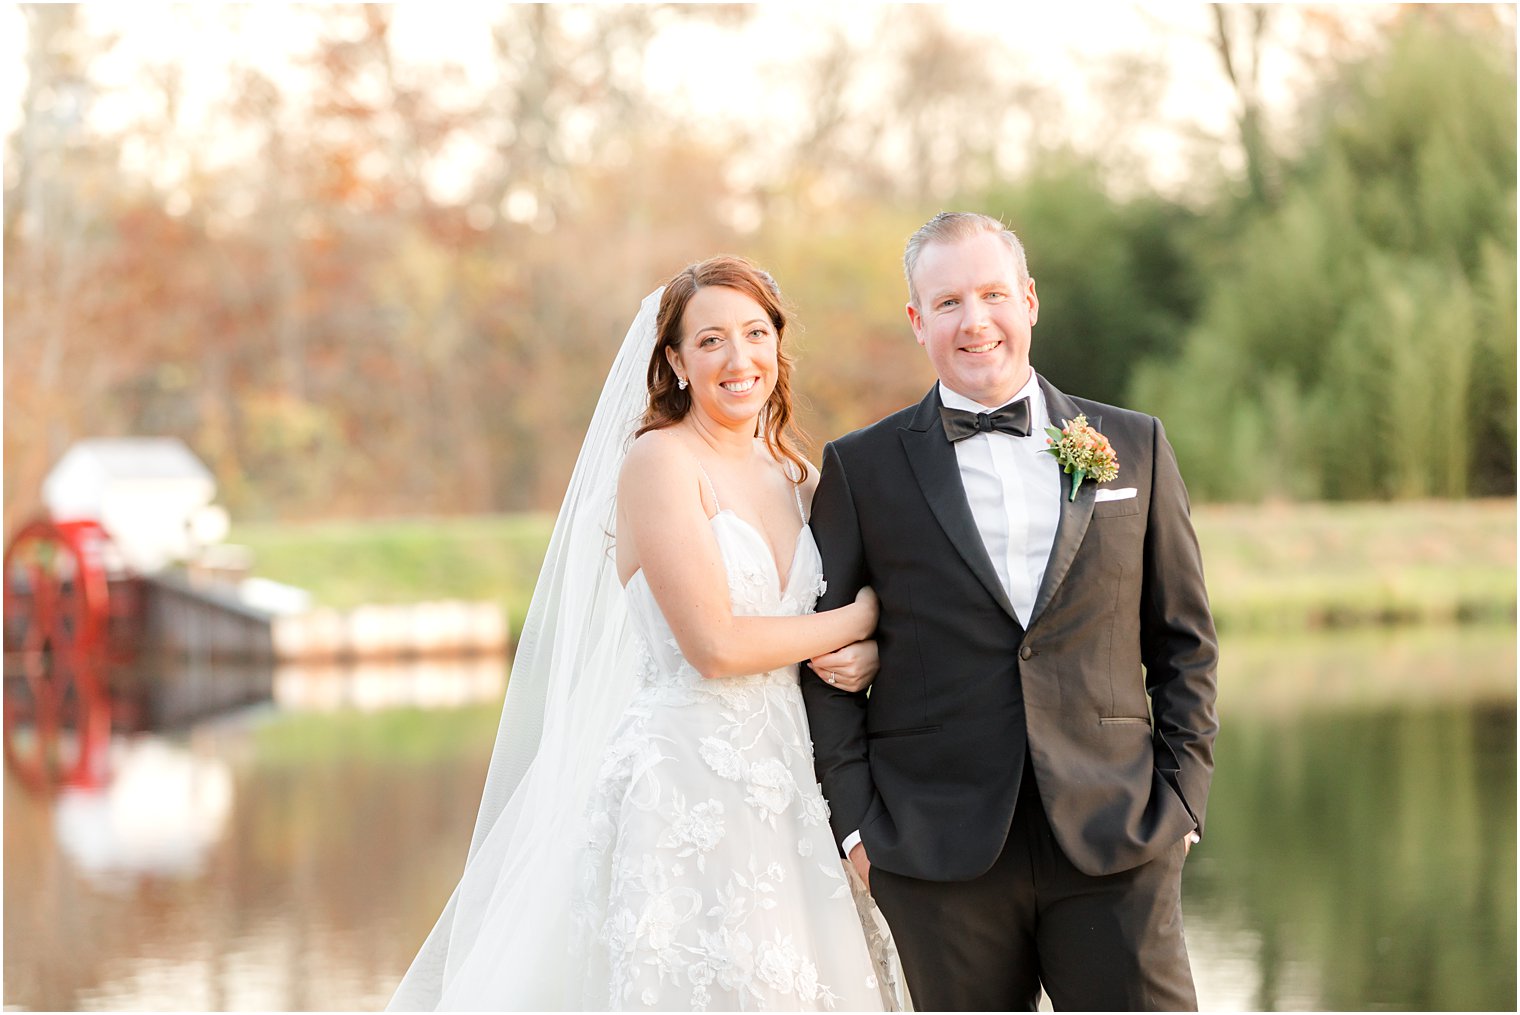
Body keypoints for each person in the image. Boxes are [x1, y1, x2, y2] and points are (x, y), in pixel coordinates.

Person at [388, 256, 903, 1011]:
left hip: (795, 779)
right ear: (675, 361)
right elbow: (716, 645)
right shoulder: (660, 462)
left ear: (777, 345)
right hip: (688, 782)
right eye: (711, 340)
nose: (739, 358)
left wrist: (871, 650)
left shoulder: (797, 473)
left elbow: (824, 624)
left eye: (755, 333)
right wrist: (862, 617)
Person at [800, 212, 1219, 1012]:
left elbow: (1185, 644)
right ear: (918, 321)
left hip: (1119, 834)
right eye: (949, 301)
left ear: (1029, 300)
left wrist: (1184, 801)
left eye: (993, 293)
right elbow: (825, 668)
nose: (975, 320)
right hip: (935, 852)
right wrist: (857, 830)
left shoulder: (1137, 445)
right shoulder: (861, 469)